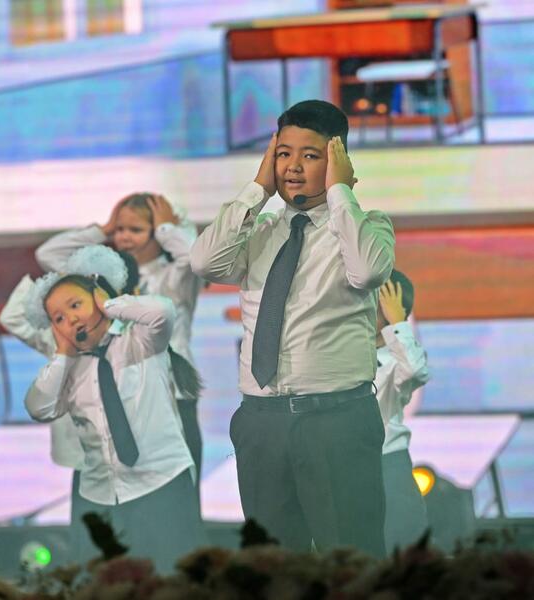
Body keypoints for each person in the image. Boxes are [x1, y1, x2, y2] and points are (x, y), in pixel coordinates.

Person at [190, 99, 395, 557]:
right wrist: (257, 189)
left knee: (354, 562)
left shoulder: (367, 227)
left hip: (335, 420)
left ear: (338, 159)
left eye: (310, 155)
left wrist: (340, 193)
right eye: (283, 154)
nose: (293, 167)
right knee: (274, 567)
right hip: (261, 422)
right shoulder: (258, 230)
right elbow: (204, 263)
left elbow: (366, 272)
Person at [23, 245, 206, 572]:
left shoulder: (139, 340)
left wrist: (108, 303)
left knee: (172, 581)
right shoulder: (67, 369)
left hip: (161, 486)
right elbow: (39, 407)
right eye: (58, 318)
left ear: (97, 298)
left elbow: (163, 311)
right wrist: (63, 354)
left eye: (76, 305)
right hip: (100, 495)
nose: (71, 318)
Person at [34, 194, 204, 492]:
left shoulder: (173, 277)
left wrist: (167, 229)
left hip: (171, 392)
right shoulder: (103, 278)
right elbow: (47, 254)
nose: (124, 237)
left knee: (179, 488)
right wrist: (102, 230)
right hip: (122, 393)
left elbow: (195, 258)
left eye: (135, 229)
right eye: (120, 229)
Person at [0, 249, 142, 555]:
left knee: (139, 541)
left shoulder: (141, 335)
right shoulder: (63, 336)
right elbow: (13, 316)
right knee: (90, 542)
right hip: (89, 462)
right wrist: (59, 283)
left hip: (142, 463)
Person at [375, 269, 430, 552]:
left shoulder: (398, 360)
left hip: (388, 467)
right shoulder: (338, 352)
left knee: (405, 555)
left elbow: (416, 371)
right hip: (341, 467)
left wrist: (397, 322)